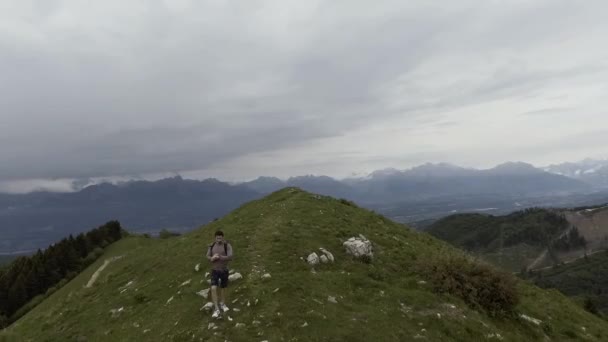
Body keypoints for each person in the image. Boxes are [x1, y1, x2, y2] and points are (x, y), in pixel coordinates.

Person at [206, 230, 233, 319]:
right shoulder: (211, 246)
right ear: (215, 238)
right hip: (215, 270)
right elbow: (207, 256)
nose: (219, 239)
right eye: (217, 238)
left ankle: (223, 303)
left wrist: (221, 257)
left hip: (224, 270)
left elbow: (230, 257)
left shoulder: (227, 245)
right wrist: (212, 258)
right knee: (213, 288)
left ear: (223, 237)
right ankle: (216, 308)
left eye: (220, 238)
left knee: (223, 288)